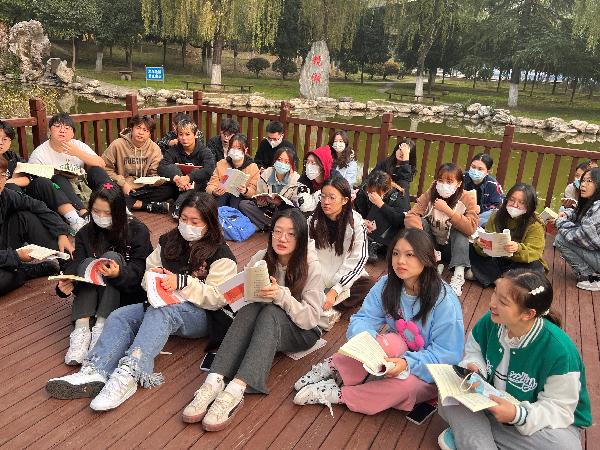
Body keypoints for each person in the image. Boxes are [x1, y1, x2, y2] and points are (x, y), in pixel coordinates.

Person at [45, 193, 238, 411]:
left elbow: (218, 297)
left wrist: (183, 282)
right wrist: (155, 279)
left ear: (209, 223)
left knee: (163, 311)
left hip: (202, 315)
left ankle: (131, 372)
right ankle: (95, 370)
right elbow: (148, 270)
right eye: (184, 219)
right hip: (163, 303)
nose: (187, 226)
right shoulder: (170, 241)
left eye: (195, 222)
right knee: (119, 316)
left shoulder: (221, 253)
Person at [181, 208, 327, 431]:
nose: (282, 238)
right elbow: (239, 302)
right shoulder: (261, 258)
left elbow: (310, 319)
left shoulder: (311, 266)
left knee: (271, 311)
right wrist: (243, 293)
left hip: (302, 330)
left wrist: (281, 295)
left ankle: (236, 390)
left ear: (301, 237)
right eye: (277, 231)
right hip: (264, 324)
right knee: (253, 307)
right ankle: (213, 381)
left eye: (291, 234)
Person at [293, 228, 464, 416]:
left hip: (428, 371)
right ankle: (335, 367)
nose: (400, 261)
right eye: (396, 253)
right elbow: (364, 318)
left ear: (427, 258)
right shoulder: (387, 284)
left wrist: (407, 363)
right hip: (395, 355)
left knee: (406, 388)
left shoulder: (444, 301)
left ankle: (339, 395)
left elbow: (448, 355)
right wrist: (368, 345)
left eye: (410, 255)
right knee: (385, 342)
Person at [437, 269, 591, 450]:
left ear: (528, 314)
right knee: (447, 391)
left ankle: (468, 436)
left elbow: (559, 409)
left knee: (566, 446)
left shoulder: (559, 350)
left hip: (537, 421)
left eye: (503, 302)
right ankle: (473, 436)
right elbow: (474, 351)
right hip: (489, 404)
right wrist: (475, 367)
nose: (492, 303)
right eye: (495, 292)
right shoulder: (490, 322)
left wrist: (517, 415)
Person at [55, 183, 152, 365]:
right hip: (95, 294)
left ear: (119, 211)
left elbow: (141, 270)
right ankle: (82, 329)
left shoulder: (137, 230)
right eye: (96, 211)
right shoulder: (85, 233)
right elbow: (76, 264)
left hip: (126, 294)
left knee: (111, 258)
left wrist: (119, 273)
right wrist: (66, 284)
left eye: (107, 213)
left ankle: (102, 327)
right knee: (85, 263)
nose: (101, 216)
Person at [0, 156, 73, 296]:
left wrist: (62, 233)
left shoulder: (5, 195)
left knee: (24, 217)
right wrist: (16, 256)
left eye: (2, 175)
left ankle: (66, 263)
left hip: (4, 244)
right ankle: (25, 271)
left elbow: (37, 205)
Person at [0, 120, 87, 233]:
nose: (1, 143)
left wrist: (9, 181)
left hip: (25, 197)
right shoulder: (40, 151)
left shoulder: (11, 157)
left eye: (5, 139)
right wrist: (9, 183)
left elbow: (28, 178)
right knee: (11, 188)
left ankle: (75, 220)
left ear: (10, 142)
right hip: (8, 201)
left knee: (42, 182)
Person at [405, 163, 478, 297]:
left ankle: (458, 275)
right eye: (440, 180)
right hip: (433, 246)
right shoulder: (431, 193)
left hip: (453, 248)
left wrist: (448, 211)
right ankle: (431, 266)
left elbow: (471, 228)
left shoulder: (468, 198)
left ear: (459, 183)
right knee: (420, 222)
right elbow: (412, 215)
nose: (444, 185)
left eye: (449, 182)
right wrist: (422, 237)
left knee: (460, 229)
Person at [309, 176, 374, 320]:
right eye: (323, 196)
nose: (326, 202)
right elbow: (306, 255)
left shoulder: (356, 224)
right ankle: (326, 305)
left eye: (332, 198)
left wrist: (335, 290)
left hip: (342, 281)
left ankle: (330, 306)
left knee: (369, 285)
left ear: (345, 200)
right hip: (318, 278)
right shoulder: (312, 222)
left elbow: (358, 260)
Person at [93, 114, 178, 214]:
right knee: (108, 192)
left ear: (149, 133)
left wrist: (156, 180)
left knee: (170, 189)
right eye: (138, 128)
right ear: (131, 128)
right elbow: (105, 168)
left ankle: (127, 203)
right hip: (121, 187)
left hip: (143, 189)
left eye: (145, 130)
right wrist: (122, 183)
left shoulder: (154, 148)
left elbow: (154, 172)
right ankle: (146, 206)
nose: (141, 132)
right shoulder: (117, 144)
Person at [469, 183, 547, 288]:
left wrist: (518, 248)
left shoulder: (535, 224)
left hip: (518, 262)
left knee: (535, 266)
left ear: (530, 205)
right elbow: (487, 241)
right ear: (506, 200)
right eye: (512, 200)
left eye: (521, 202)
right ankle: (501, 281)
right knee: (471, 249)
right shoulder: (496, 216)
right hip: (497, 258)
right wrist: (481, 244)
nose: (515, 205)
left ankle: (488, 276)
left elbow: (534, 252)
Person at [28, 113, 106, 216]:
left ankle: (115, 204)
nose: (62, 130)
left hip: (81, 186)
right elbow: (37, 184)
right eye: (57, 126)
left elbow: (101, 164)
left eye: (67, 128)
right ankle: (83, 214)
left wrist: (78, 153)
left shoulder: (77, 145)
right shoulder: (39, 154)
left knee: (97, 171)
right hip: (58, 195)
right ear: (49, 131)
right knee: (58, 178)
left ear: (72, 134)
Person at [158, 117, 216, 217]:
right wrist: (177, 178)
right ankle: (143, 203)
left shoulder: (205, 151)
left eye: (188, 134)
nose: (184, 138)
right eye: (181, 134)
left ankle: (178, 207)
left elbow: (209, 170)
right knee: (167, 180)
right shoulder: (173, 150)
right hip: (177, 185)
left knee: (196, 183)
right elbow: (162, 167)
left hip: (197, 188)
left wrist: (189, 178)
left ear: (195, 134)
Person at [555, 167, 600, 291]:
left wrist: (560, 222)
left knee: (561, 240)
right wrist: (567, 214)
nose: (583, 184)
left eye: (589, 181)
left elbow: (580, 237)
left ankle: (591, 277)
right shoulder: (593, 203)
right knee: (563, 212)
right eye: (583, 180)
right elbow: (581, 216)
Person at [238, 147, 300, 231]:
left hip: (282, 212)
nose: (282, 164)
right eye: (279, 160)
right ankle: (272, 226)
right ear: (275, 161)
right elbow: (258, 194)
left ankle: (265, 225)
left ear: (291, 164)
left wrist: (279, 203)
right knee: (244, 204)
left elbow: (295, 206)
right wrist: (260, 202)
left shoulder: (296, 179)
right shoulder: (266, 173)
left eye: (287, 162)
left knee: (290, 215)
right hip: (266, 209)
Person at [354, 170, 408, 263]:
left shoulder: (399, 196)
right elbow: (362, 211)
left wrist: (381, 204)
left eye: (376, 191)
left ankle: (372, 244)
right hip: (371, 228)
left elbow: (400, 221)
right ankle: (366, 240)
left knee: (381, 209)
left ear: (386, 189)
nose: (372, 193)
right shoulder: (365, 190)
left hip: (389, 236)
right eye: (370, 191)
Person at [205, 134, 260, 209]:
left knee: (235, 197)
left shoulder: (253, 167)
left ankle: (233, 215)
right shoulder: (222, 163)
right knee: (222, 196)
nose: (235, 151)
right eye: (232, 147)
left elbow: (254, 191)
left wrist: (245, 190)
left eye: (239, 148)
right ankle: (218, 214)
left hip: (241, 199)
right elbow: (211, 185)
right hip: (222, 196)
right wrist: (214, 191)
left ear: (245, 150)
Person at [370, 138, 417, 211]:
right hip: (378, 194)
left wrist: (405, 161)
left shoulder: (408, 170)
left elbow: (403, 186)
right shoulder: (386, 162)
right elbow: (372, 176)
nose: (402, 153)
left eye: (405, 152)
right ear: (396, 149)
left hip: (394, 201)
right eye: (400, 150)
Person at [296, 146, 341, 214]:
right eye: (307, 162)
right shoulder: (304, 178)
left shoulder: (335, 178)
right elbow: (304, 206)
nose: (308, 166)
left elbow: (335, 202)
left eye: (313, 163)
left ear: (323, 165)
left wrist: (314, 197)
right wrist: (320, 196)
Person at [463, 153, 504, 226]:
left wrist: (481, 208)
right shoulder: (461, 177)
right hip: (462, 210)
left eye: (480, 169)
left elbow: (498, 205)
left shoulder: (493, 185)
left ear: (488, 171)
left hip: (481, 215)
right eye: (473, 167)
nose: (475, 171)